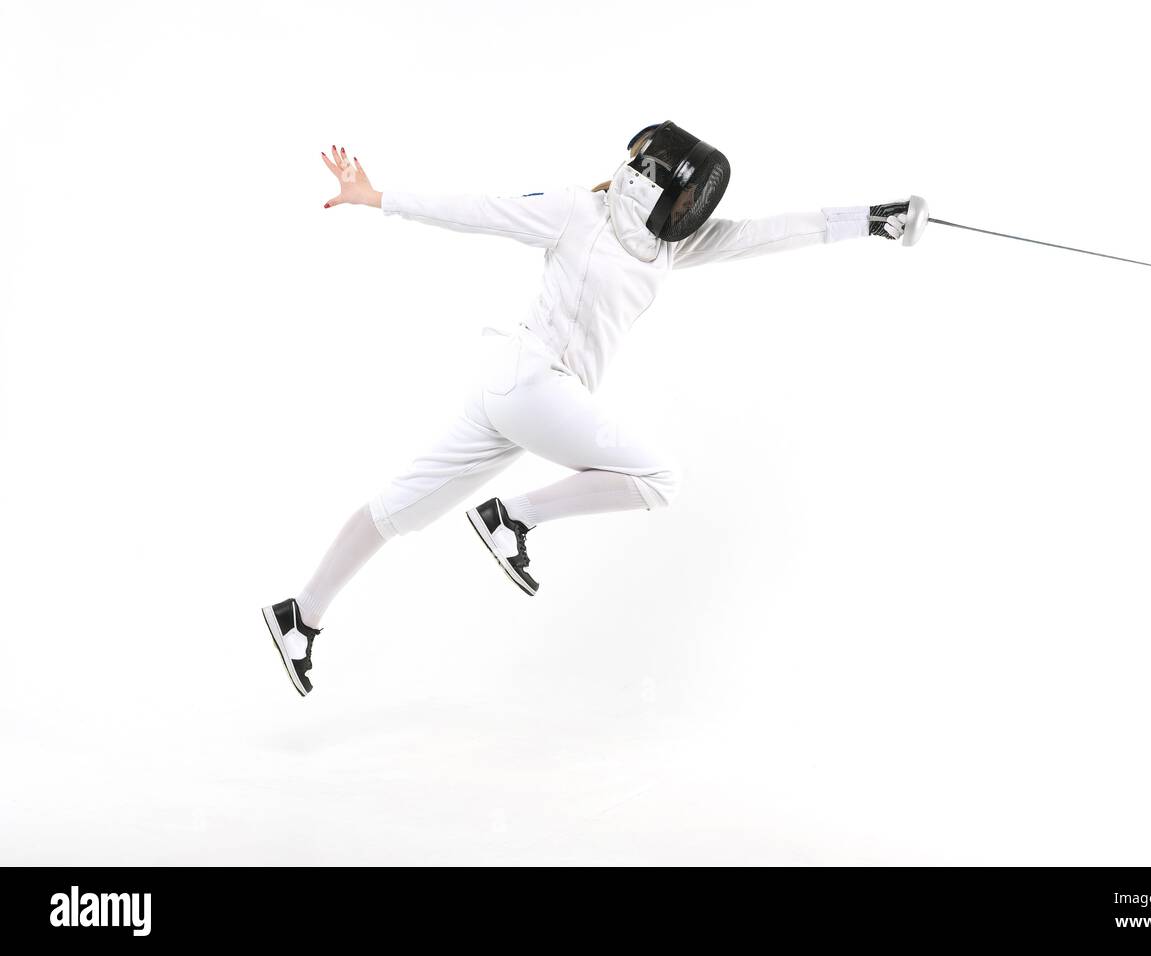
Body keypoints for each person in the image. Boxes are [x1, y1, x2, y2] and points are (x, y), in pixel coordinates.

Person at [263, 122, 924, 696]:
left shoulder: (671, 246)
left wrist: (870, 219)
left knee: (403, 507)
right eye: (687, 192)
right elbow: (481, 210)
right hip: (528, 381)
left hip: (522, 391)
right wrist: (378, 197)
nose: (693, 206)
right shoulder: (579, 211)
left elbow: (766, 234)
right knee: (659, 480)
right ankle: (509, 519)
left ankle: (302, 614)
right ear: (652, 180)